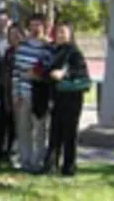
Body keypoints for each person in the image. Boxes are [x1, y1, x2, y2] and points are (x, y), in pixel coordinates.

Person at [43, 23, 90, 176]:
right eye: (57, 32)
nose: (60, 35)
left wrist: (64, 74)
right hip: (57, 97)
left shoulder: (74, 53)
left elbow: (81, 72)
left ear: (70, 34)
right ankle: (51, 165)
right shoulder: (54, 51)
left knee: (69, 133)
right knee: (55, 132)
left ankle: (69, 167)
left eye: (63, 32)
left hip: (72, 98)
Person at [12, 13, 54, 172]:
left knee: (40, 129)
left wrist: (38, 75)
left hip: (40, 93)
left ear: (44, 27)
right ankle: (25, 160)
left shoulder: (48, 48)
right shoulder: (22, 47)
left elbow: (50, 71)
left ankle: (38, 161)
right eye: (32, 25)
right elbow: (16, 72)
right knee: (23, 129)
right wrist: (16, 93)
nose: (35, 28)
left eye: (39, 25)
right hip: (23, 93)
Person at [0, 24, 25, 162]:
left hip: (22, 91)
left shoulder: (25, 51)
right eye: (11, 34)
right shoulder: (8, 52)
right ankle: (9, 152)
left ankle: (20, 154)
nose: (14, 37)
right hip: (8, 92)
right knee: (9, 124)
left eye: (17, 34)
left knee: (21, 125)